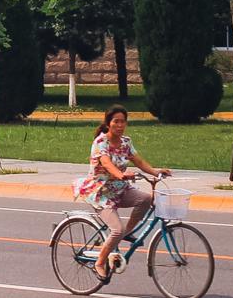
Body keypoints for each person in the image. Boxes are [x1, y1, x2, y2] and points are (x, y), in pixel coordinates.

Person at [73, 105, 171, 285]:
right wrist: (121, 174)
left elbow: (139, 161)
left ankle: (128, 232)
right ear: (108, 123)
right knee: (116, 229)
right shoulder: (100, 142)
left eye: (123, 121)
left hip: (119, 188)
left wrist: (155, 171)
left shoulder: (126, 142)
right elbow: (107, 163)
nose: (120, 125)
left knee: (146, 199)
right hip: (101, 192)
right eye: (116, 121)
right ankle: (100, 263)